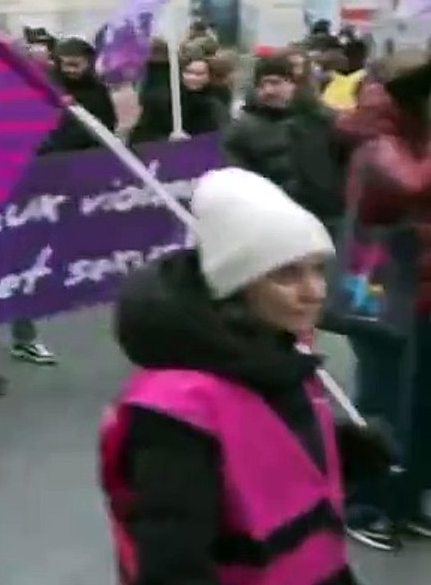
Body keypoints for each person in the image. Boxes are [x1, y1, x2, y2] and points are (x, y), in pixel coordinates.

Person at [100, 167, 394, 585]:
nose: (315, 291)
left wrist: (343, 451)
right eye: (287, 274)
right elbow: (171, 561)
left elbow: (260, 463)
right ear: (238, 285)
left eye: (317, 269)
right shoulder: (175, 412)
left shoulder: (275, 352)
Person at [333, 53, 431, 548]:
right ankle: (364, 503)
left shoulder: (415, 133)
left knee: (421, 407)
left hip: (421, 293)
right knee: (381, 402)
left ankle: (406, 499)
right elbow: (412, 184)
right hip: (379, 295)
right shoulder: (377, 141)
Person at [221, 53, 347, 225]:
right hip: (273, 223)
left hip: (326, 219)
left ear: (294, 84)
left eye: (276, 82)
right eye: (262, 84)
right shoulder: (241, 131)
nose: (269, 90)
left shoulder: (323, 121)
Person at [129, 54, 226, 144]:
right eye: (188, 72)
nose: (193, 78)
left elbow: (221, 137)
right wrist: (166, 140)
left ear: (208, 77)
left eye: (199, 74)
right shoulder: (161, 100)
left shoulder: (215, 104)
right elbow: (142, 135)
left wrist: (193, 142)